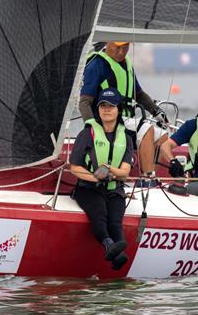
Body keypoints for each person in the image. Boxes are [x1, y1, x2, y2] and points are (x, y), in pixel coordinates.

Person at [79, 41, 168, 186]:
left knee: (163, 136)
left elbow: (138, 94)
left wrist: (156, 111)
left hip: (126, 119)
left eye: (125, 47)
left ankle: (148, 178)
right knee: (146, 128)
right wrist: (92, 128)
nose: (121, 52)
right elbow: (84, 103)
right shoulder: (96, 65)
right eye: (117, 47)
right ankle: (147, 180)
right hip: (107, 121)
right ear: (107, 44)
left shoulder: (126, 64)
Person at [69, 88, 134, 270]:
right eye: (103, 106)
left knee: (115, 221)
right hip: (88, 188)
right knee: (99, 216)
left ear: (118, 109)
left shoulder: (126, 138)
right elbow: (74, 167)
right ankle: (111, 247)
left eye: (111, 106)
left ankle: (117, 249)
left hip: (114, 188)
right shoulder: (87, 134)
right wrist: (94, 177)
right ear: (97, 109)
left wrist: (108, 169)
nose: (106, 110)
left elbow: (125, 172)